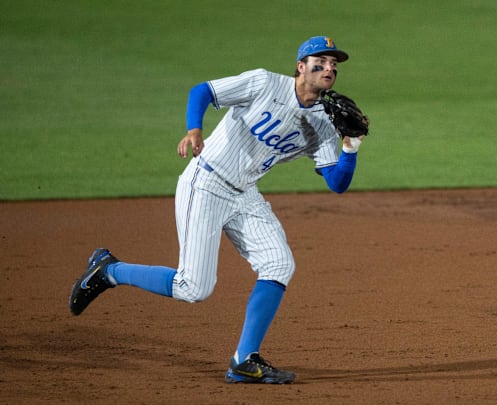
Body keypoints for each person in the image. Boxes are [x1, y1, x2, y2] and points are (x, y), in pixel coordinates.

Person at [68, 36, 367, 384]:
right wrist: (194, 129)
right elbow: (203, 91)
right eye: (322, 60)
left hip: (245, 195)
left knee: (279, 263)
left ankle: (244, 359)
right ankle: (109, 271)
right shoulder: (264, 82)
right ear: (301, 66)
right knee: (193, 287)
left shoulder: (323, 124)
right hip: (206, 182)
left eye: (335, 64)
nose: (329, 67)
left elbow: (336, 182)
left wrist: (351, 145)